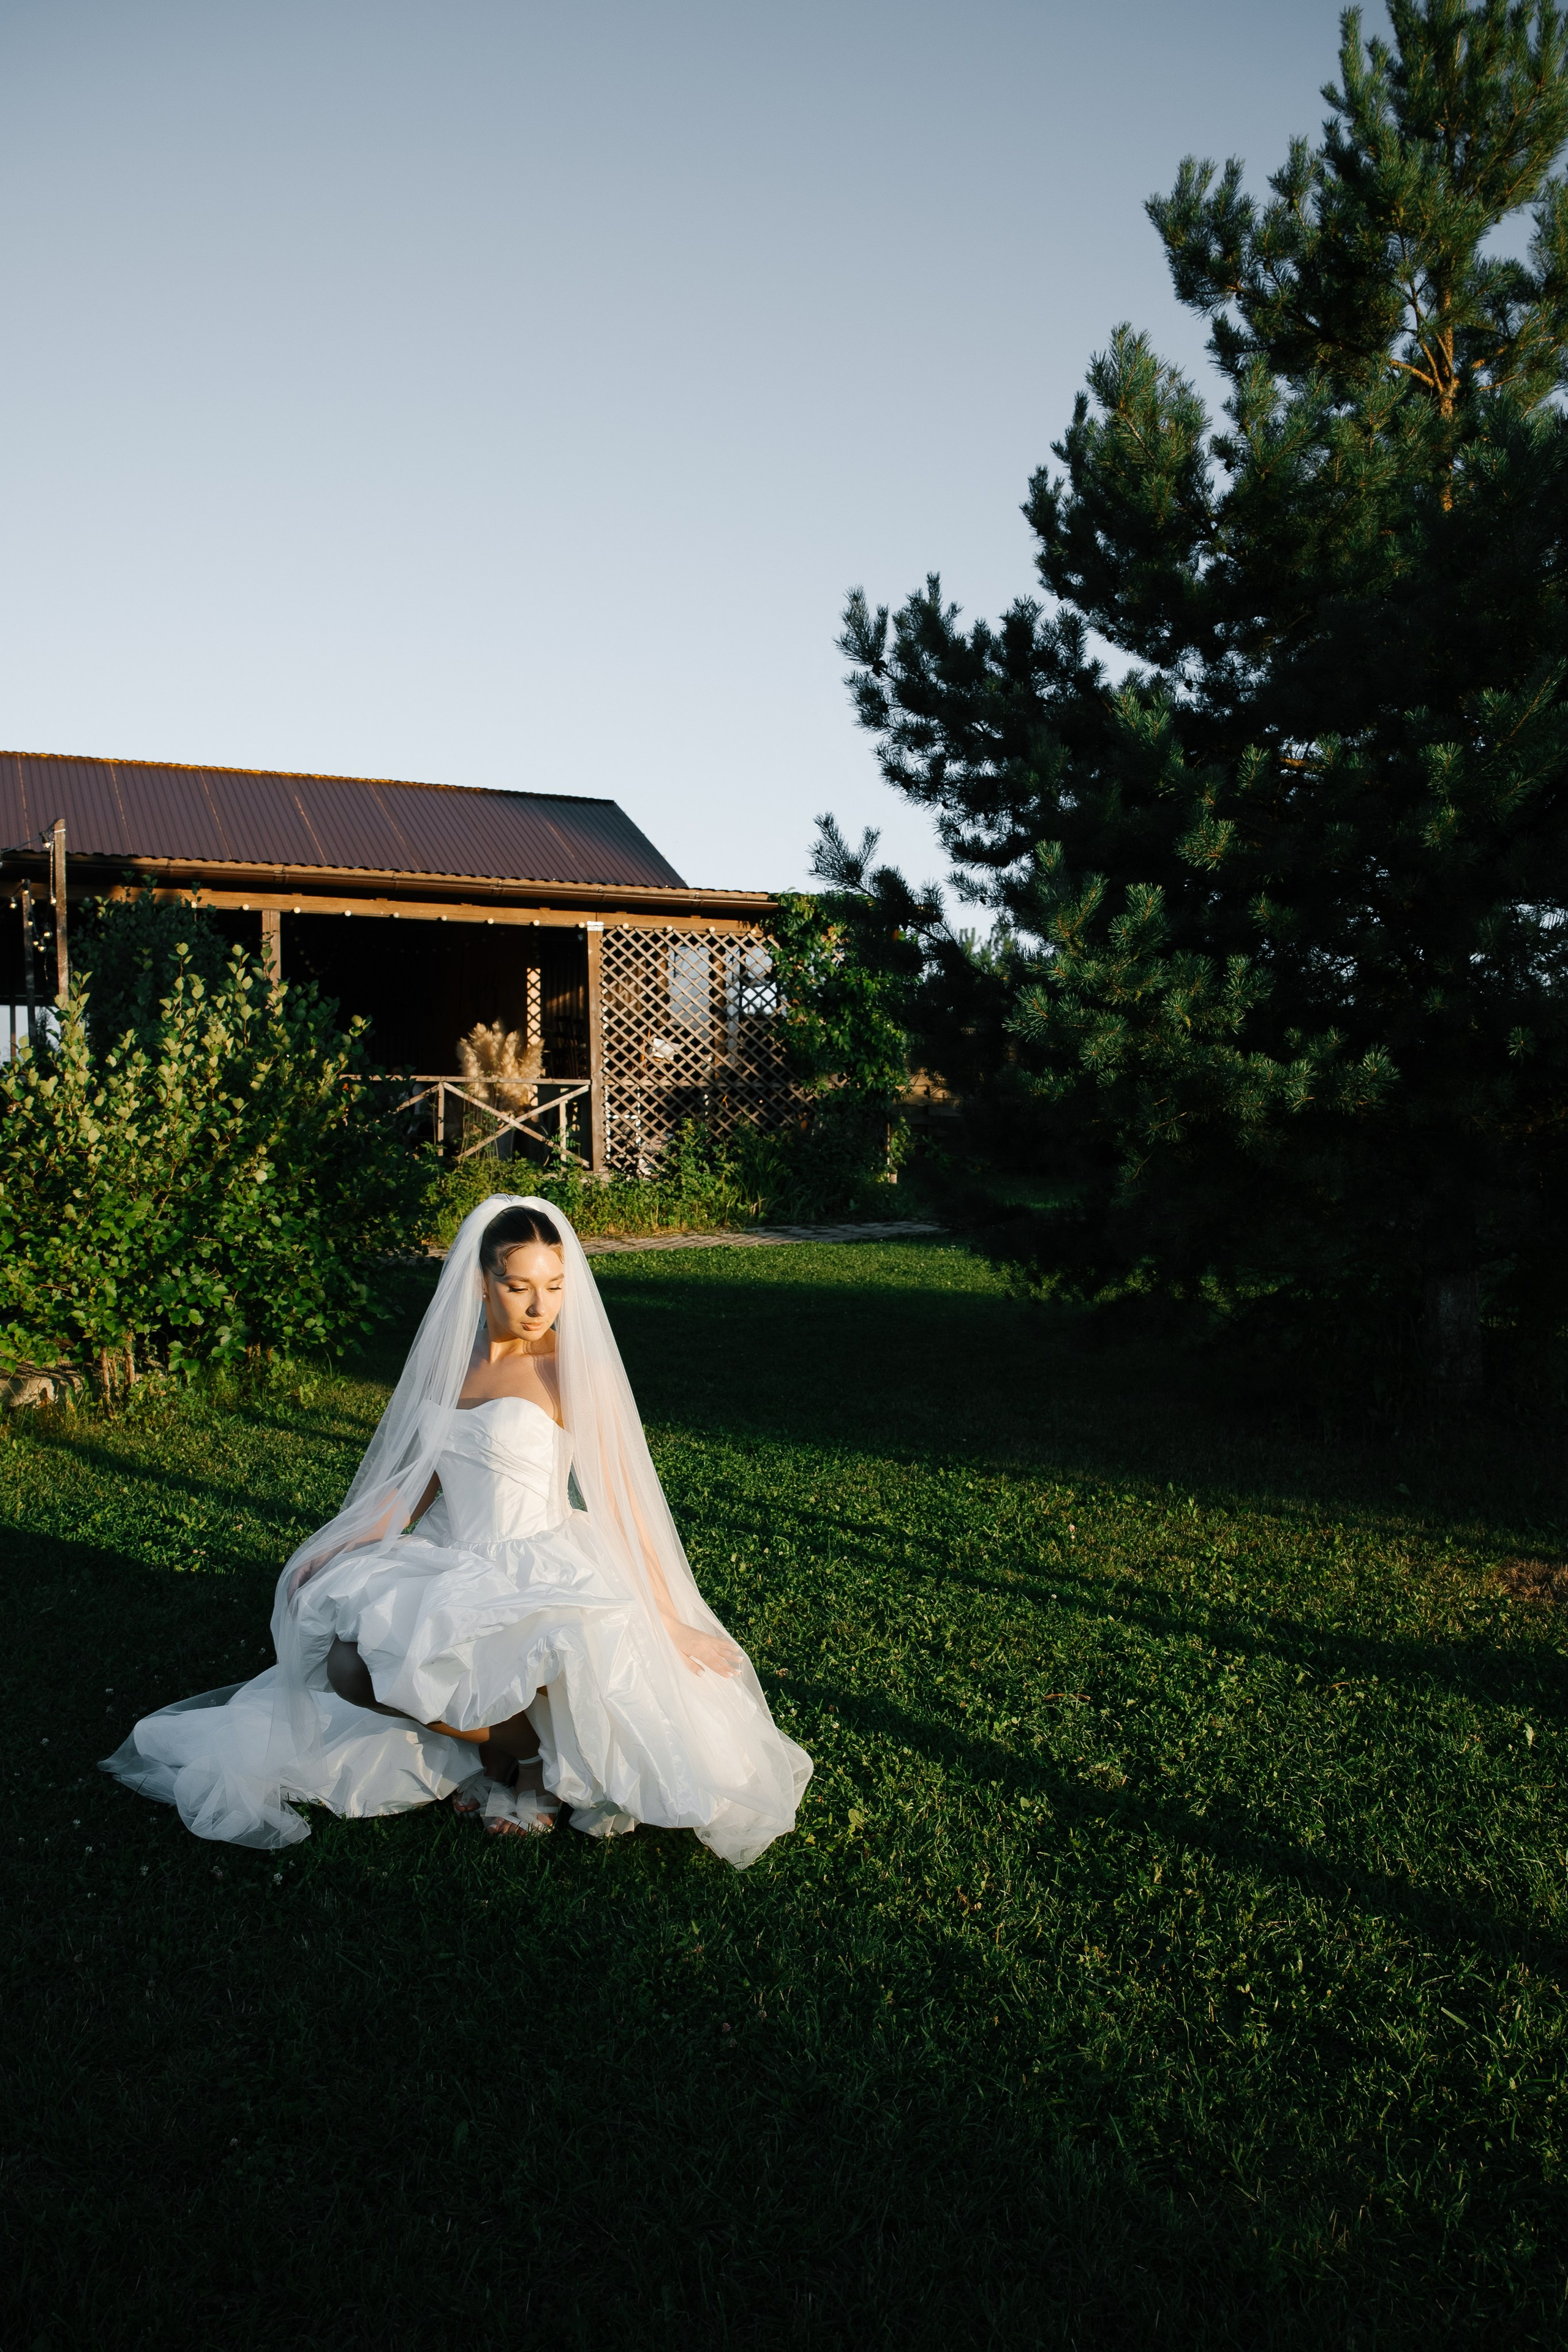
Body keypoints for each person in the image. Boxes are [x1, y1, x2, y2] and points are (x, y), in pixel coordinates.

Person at [102, 1196, 812, 1868]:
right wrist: (339, 1546)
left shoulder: (569, 1369)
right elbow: (414, 1484)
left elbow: (623, 1502)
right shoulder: (449, 1362)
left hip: (539, 1554)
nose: (540, 1306)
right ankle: (513, 1745)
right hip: (451, 1551)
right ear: (480, 1280)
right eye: (519, 1286)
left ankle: (526, 1766)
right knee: (352, 1669)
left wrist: (670, 1621)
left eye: (556, 1287)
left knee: (522, 1660)